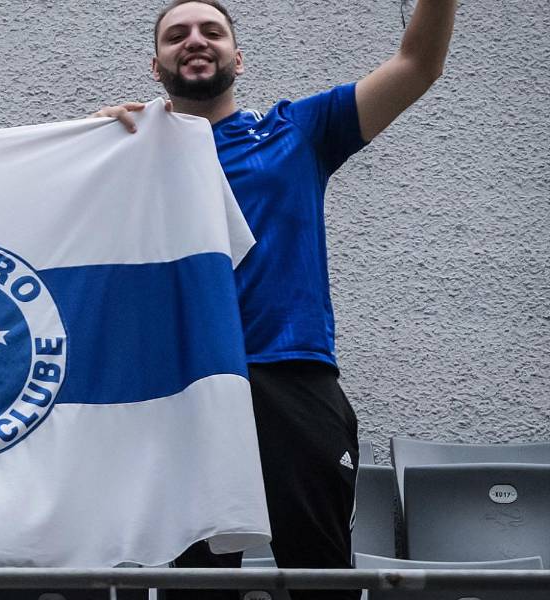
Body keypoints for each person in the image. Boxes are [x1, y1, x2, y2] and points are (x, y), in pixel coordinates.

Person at [94, 1, 456, 599]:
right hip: (188, 391)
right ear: (156, 68)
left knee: (320, 576)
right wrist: (94, 141)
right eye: (175, 35)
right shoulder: (129, 153)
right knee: (198, 587)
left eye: (212, 31)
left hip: (292, 379)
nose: (195, 41)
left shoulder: (298, 131)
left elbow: (418, 65)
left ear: (238, 56)